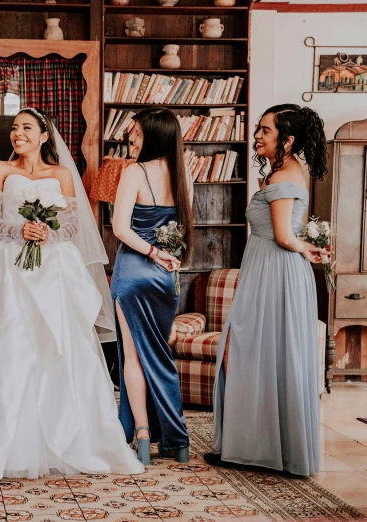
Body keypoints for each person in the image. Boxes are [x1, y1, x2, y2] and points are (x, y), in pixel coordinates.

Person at [0, 108, 143, 483]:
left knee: (59, 349)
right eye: (14, 128)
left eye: (25, 128)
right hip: (5, 268)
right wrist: (19, 231)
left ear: (42, 137)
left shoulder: (62, 175)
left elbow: (71, 222)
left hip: (53, 269)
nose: (17, 133)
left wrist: (48, 235)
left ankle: (69, 440)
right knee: (7, 349)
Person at [204, 104, 328, 476]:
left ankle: (257, 447)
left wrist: (304, 247)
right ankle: (257, 445)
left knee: (248, 350)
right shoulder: (284, 172)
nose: (257, 135)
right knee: (263, 352)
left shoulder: (283, 176)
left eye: (265, 131)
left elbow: (283, 236)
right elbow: (289, 234)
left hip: (275, 271)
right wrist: (306, 246)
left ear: (287, 141)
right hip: (269, 268)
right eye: (258, 129)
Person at [111, 107, 193, 465]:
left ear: (154, 136)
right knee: (159, 354)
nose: (131, 138)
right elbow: (185, 227)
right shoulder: (183, 174)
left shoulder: (134, 172)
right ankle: (177, 439)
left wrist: (150, 252)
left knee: (132, 356)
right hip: (166, 276)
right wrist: (166, 256)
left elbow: (120, 228)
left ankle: (142, 434)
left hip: (133, 270)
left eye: (137, 134)